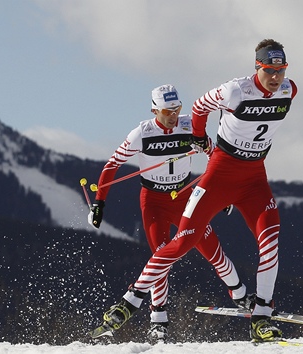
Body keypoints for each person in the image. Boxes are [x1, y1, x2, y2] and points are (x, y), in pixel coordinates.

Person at [95, 39, 297, 342]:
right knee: (181, 244)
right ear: (258, 66)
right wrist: (99, 202)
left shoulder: (289, 89)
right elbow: (201, 106)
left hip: (253, 181)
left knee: (268, 242)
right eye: (270, 70)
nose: (276, 77)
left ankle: (261, 314)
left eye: (281, 70)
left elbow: (199, 126)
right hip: (211, 182)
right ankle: (133, 303)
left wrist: (201, 141)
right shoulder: (235, 91)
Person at [88, 84, 246, 343]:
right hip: (154, 202)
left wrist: (222, 191)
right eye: (166, 111)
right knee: (161, 257)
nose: (173, 115)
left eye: (177, 109)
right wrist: (99, 203)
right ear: (154, 110)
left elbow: (216, 156)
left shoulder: (189, 126)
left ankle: (240, 295)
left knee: (212, 250)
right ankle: (158, 319)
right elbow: (111, 165)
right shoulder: (142, 133)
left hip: (185, 197)